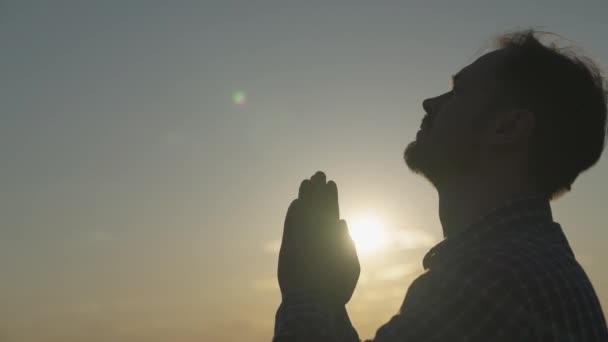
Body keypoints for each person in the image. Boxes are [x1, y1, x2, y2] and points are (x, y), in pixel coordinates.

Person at [273, 30, 608, 341]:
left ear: (508, 129)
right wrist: (329, 301)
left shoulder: (493, 280)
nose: (430, 103)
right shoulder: (521, 267)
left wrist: (306, 290)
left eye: (457, 91)